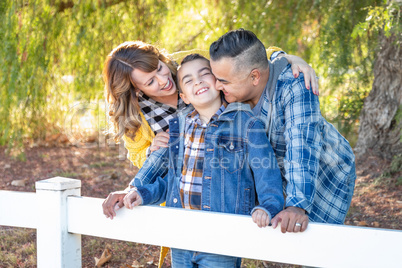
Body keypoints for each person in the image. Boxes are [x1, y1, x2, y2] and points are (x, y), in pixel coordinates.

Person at [122, 54, 284, 268]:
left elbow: (266, 173)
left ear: (218, 82)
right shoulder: (180, 129)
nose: (197, 81)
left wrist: (268, 206)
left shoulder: (246, 124)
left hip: (221, 236)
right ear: (185, 97)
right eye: (188, 80)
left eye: (204, 74)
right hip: (181, 237)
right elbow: (173, 181)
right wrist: (143, 194)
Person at [209, 29, 356, 233]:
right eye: (216, 78)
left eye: (223, 81)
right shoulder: (233, 85)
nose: (216, 85)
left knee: (318, 244)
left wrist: (296, 205)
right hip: (278, 168)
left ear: (254, 77)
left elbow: (302, 145)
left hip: (325, 169)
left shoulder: (295, 84)